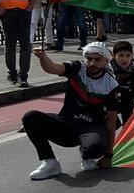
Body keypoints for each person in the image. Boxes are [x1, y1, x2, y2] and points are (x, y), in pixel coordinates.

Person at [23, 42, 121, 180]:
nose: (92, 63)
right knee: (31, 117)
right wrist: (43, 57)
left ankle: (87, 154)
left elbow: (111, 123)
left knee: (96, 147)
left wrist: (109, 155)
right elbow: (53, 68)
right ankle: (50, 163)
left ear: (106, 60)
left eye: (97, 59)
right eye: (89, 58)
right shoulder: (77, 68)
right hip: (67, 124)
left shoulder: (111, 84)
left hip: (91, 128)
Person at [110, 40, 134, 125]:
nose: (124, 59)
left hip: (127, 98)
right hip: (110, 99)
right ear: (114, 56)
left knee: (128, 122)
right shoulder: (108, 69)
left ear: (132, 56)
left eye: (128, 56)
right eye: (121, 55)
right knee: (114, 124)